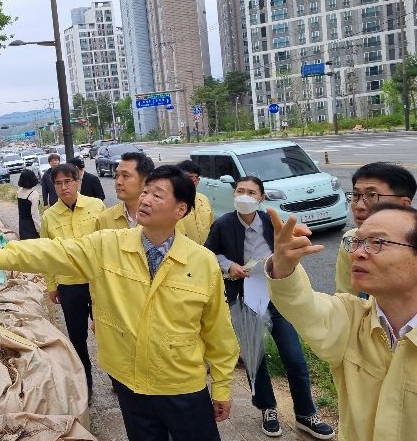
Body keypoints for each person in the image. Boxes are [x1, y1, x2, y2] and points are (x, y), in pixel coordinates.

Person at [0, 165, 239, 441]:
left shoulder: (202, 262)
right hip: (130, 384)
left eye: (157, 195)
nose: (145, 199)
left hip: (182, 386)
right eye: (146, 192)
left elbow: (218, 330)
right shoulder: (109, 245)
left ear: (180, 210)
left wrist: (222, 387)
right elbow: (56, 251)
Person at [266, 203, 417, 441]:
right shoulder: (350, 318)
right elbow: (300, 304)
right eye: (356, 242)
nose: (357, 253)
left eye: (377, 242)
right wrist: (283, 266)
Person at [204, 176, 334, 439]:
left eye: (251, 192)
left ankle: (306, 414)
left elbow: (288, 250)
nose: (245, 196)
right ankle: (268, 409)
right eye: (240, 191)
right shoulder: (223, 224)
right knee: (256, 358)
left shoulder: (272, 224)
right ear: (234, 194)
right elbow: (208, 252)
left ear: (261, 198)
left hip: (277, 298)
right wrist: (229, 265)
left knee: (294, 357)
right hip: (244, 299)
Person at [41, 163, 105, 399]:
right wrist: (51, 286)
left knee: (107, 333)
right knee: (77, 338)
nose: (64, 187)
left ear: (78, 182)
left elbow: (109, 243)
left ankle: (117, 381)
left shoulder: (96, 207)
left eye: (68, 181)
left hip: (98, 282)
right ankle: (85, 384)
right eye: (58, 183)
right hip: (69, 286)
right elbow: (46, 254)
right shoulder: (49, 217)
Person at [335, 162, 416, 297]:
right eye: (356, 195)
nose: (359, 206)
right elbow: (347, 299)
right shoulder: (352, 241)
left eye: (372, 196)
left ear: (404, 204)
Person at [96, 152, 154, 230]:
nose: (118, 182)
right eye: (117, 175)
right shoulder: (105, 219)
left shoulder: (162, 217)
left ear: (146, 182)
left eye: (126, 176)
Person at [176, 160, 214, 245]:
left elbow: (212, 227)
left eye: (196, 177)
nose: (193, 180)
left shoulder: (204, 200)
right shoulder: (172, 203)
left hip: (204, 250)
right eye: (189, 177)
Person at [17, 169, 41, 240]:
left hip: (22, 223)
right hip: (31, 224)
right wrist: (39, 229)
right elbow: (35, 214)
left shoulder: (19, 191)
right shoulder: (34, 194)